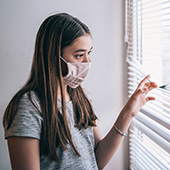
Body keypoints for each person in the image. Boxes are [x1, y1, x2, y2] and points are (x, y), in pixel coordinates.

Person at [3, 13, 158, 170]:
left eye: (88, 53)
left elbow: (96, 161)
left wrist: (128, 113)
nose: (87, 61)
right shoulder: (28, 107)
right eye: (79, 55)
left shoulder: (80, 97)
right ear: (53, 56)